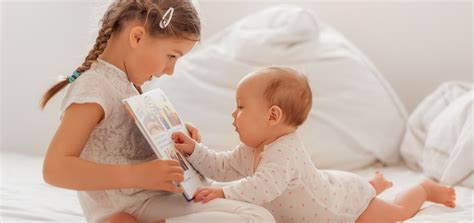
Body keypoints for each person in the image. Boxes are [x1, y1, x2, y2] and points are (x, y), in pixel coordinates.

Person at [40, 1, 275, 223]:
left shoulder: (129, 86)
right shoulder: (94, 86)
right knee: (254, 218)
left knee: (261, 213)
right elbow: (54, 169)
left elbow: (126, 148)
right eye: (171, 56)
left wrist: (177, 138)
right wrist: (138, 175)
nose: (171, 70)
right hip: (131, 207)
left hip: (157, 199)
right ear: (137, 37)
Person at [172, 66, 457, 223]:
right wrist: (193, 150)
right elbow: (222, 166)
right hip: (332, 185)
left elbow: (263, 186)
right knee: (355, 187)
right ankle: (374, 184)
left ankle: (423, 189)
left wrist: (223, 193)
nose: (233, 115)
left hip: (342, 208)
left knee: (395, 214)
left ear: (273, 116)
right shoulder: (251, 150)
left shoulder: (284, 151)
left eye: (241, 107)